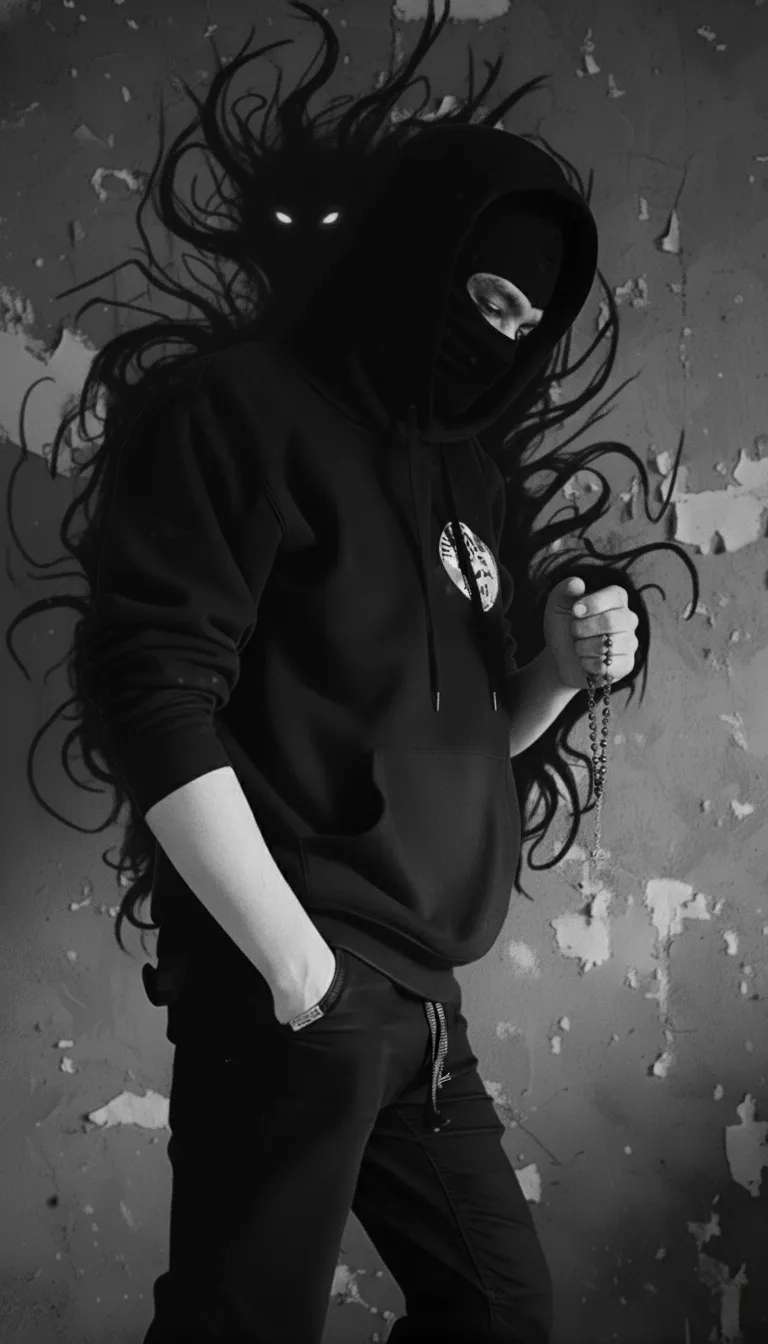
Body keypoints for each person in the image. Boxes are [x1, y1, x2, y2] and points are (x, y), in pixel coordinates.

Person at [79, 112, 602, 1344]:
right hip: (298, 977)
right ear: (419, 252)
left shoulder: (465, 476)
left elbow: (457, 743)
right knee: (241, 1325)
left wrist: (558, 675)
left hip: (424, 1002)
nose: (500, 338)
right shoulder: (243, 411)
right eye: (487, 297)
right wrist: (294, 968)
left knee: (499, 1310)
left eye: (528, 322)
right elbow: (151, 688)